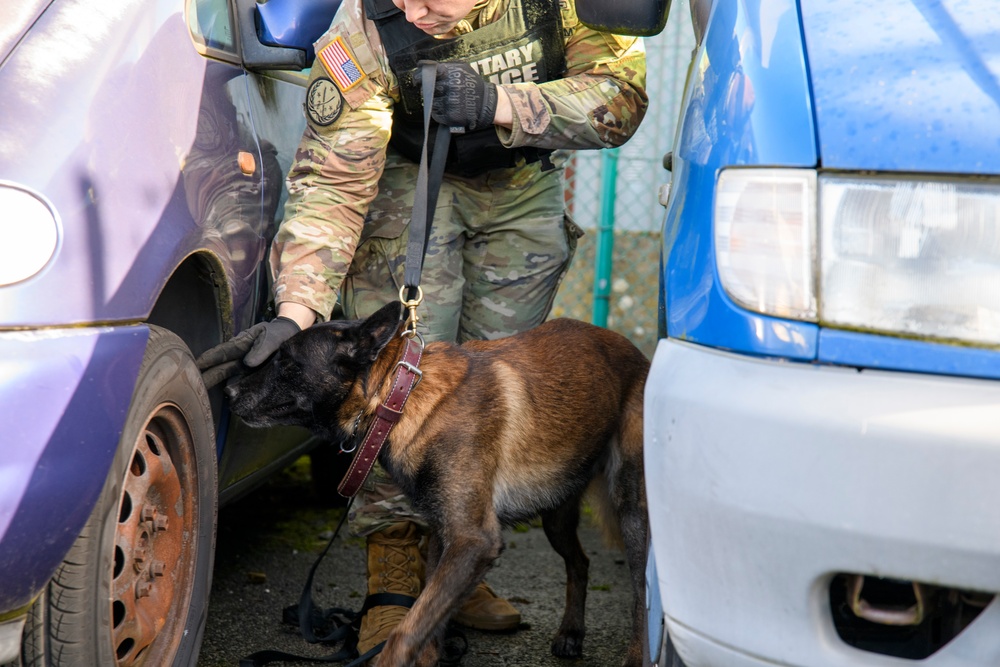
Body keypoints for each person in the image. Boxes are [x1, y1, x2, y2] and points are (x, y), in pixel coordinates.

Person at [239, 0, 647, 656]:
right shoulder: (366, 22)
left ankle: (459, 561)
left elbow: (621, 96)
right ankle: (395, 579)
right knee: (395, 392)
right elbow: (334, 183)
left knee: (494, 397)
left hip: (518, 190)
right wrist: (298, 312)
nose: (413, 8)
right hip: (406, 183)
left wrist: (503, 105)